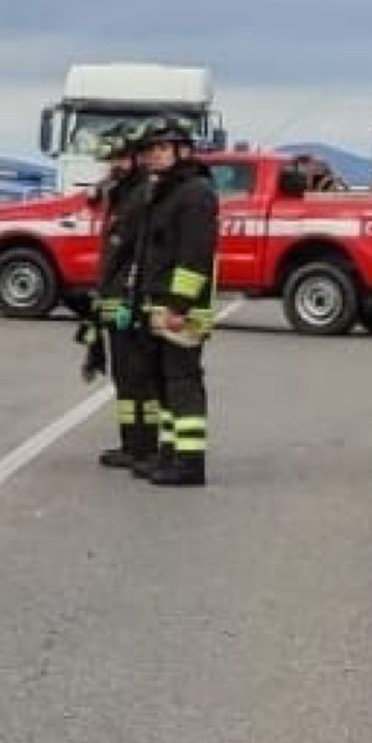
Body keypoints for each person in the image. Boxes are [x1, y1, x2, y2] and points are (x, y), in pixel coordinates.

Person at [128, 115, 219, 486]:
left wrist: (179, 305)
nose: (155, 156)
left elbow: (194, 255)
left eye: (163, 148)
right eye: (150, 149)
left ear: (183, 151)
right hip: (159, 304)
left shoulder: (195, 194)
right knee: (163, 382)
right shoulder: (163, 192)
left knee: (182, 382)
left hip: (183, 308)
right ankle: (169, 453)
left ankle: (190, 462)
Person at [87, 123, 161, 470]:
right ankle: (131, 443)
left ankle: (145, 446)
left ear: (134, 158)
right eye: (110, 160)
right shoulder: (122, 194)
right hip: (116, 296)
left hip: (132, 298)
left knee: (138, 376)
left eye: (118, 158)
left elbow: (134, 252)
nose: (112, 166)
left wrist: (129, 296)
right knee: (124, 375)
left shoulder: (142, 195)